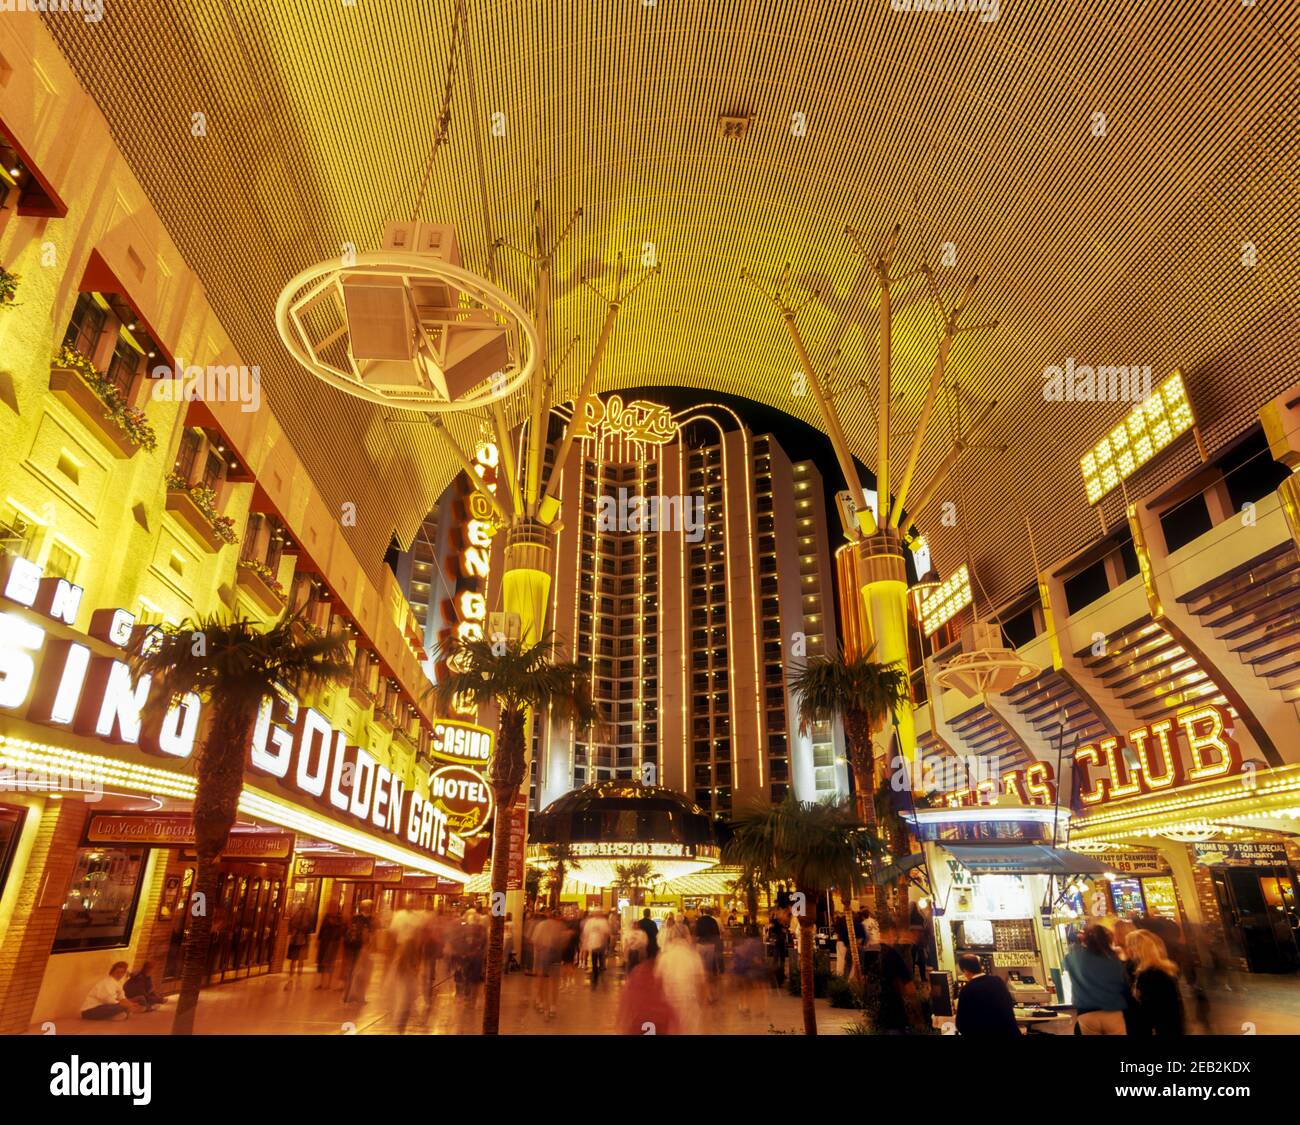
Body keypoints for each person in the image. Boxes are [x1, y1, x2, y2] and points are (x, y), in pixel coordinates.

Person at [1064, 924, 1130, 1034]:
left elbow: (1067, 963)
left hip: (1087, 1013)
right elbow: (1122, 982)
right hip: (1113, 1011)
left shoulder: (1075, 956)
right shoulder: (1114, 957)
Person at [1126, 929, 1185, 1036]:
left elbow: (1154, 1009)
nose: (1128, 949)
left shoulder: (1153, 974)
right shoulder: (1155, 969)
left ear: (1139, 949)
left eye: (1130, 945)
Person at [954, 953, 1020, 1036]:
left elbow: (961, 1024)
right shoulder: (997, 981)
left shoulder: (967, 990)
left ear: (965, 971)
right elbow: (1009, 1003)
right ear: (980, 966)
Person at [876, 917, 918, 1033]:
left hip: (881, 1011)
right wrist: (917, 1012)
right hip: (896, 1011)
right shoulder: (893, 955)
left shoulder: (877, 953)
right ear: (891, 931)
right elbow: (910, 988)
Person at [341, 899, 374, 1004]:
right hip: (361, 948)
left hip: (352, 947)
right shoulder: (370, 920)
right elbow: (369, 936)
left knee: (351, 971)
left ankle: (348, 996)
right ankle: (358, 996)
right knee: (360, 973)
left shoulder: (354, 918)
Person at [694, 907, 723, 998]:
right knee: (709, 967)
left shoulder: (699, 920)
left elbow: (696, 933)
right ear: (710, 913)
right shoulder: (713, 921)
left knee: (701, 965)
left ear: (703, 912)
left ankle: (701, 988)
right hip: (710, 945)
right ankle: (710, 990)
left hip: (700, 945)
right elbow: (717, 935)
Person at [284, 902, 314, 988]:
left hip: (296, 938)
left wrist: (294, 930)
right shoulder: (309, 913)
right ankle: (298, 977)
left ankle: (291, 977)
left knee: (294, 959)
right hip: (303, 939)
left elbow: (291, 923)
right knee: (301, 959)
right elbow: (309, 927)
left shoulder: (297, 913)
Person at [315, 907, 344, 989]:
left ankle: (329, 984)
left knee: (330, 963)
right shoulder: (326, 916)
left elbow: (340, 931)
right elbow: (322, 928)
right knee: (322, 963)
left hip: (333, 943)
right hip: (324, 942)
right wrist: (318, 939)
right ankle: (321, 983)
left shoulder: (339, 917)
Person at [582, 908, 612, 986]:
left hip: (601, 945)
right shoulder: (590, 922)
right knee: (594, 960)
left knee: (601, 960)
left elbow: (607, 933)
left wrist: (605, 942)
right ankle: (595, 976)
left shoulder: (603, 922)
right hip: (593, 944)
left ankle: (600, 974)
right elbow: (586, 932)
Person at [766, 913, 789, 988]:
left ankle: (779, 975)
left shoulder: (777, 922)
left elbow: (772, 929)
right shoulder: (777, 922)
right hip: (779, 941)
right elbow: (776, 929)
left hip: (779, 941)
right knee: (778, 959)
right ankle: (778, 975)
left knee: (778, 959)